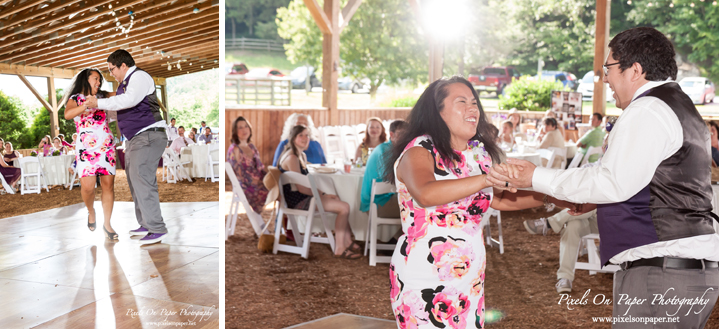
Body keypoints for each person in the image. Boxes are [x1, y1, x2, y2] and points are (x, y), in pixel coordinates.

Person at [490, 27, 719, 328]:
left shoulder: (647, 109)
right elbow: (656, 183)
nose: (605, 78)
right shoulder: (679, 107)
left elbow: (612, 182)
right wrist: (591, 201)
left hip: (660, 271)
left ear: (635, 70)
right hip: (682, 266)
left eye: (608, 68)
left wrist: (536, 176)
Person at [385, 76, 576, 329]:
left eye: (474, 102)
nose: (472, 108)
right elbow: (426, 193)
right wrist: (485, 179)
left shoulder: (477, 153)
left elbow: (500, 200)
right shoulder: (419, 150)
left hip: (469, 276)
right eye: (461, 102)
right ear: (437, 111)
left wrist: (554, 198)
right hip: (426, 276)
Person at [83, 49, 169, 245]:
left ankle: (157, 227)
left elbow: (129, 101)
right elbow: (123, 109)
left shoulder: (138, 77)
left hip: (148, 134)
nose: (111, 73)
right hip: (135, 137)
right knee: (135, 180)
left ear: (123, 65)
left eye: (111, 69)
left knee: (142, 180)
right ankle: (146, 223)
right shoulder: (125, 84)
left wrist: (98, 102)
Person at [279, 125, 360, 259]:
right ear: (293, 139)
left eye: (307, 135)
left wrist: (323, 194)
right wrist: (323, 194)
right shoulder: (292, 158)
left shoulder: (300, 155)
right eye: (301, 135)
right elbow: (301, 188)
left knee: (338, 200)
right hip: (298, 201)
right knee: (344, 207)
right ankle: (340, 248)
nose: (305, 139)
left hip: (302, 198)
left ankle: (347, 241)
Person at [62, 67, 118, 240]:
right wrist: (85, 105)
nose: (98, 82)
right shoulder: (75, 98)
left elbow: (123, 95)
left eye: (100, 79)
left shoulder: (104, 96)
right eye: (95, 78)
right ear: (86, 80)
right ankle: (91, 211)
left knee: (108, 185)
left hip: (106, 145)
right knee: (87, 187)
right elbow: (68, 114)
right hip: (86, 149)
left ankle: (107, 224)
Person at [360, 120, 407, 217]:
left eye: (408, 135)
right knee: (417, 210)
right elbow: (390, 178)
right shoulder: (385, 151)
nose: (406, 138)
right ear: (392, 135)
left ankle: (399, 233)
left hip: (384, 198)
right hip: (376, 203)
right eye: (401, 134)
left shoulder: (393, 149)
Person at [227, 116, 269, 214]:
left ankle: (283, 222)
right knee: (277, 193)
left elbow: (260, 168)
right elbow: (239, 174)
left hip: (259, 181)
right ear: (235, 131)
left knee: (280, 187)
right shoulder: (235, 149)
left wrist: (269, 178)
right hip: (246, 186)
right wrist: (257, 181)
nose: (244, 129)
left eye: (246, 126)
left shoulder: (251, 147)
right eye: (240, 127)